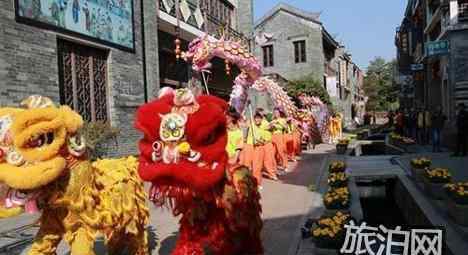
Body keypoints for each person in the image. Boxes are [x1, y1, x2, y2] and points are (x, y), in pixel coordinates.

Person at [270, 108, 289, 173]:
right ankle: (274, 167)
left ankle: (285, 165)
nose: (276, 114)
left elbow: (285, 127)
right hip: (272, 136)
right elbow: (269, 127)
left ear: (279, 113)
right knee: (272, 153)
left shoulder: (282, 120)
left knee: (281, 151)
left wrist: (278, 124)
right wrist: (271, 126)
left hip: (279, 136)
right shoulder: (272, 120)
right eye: (274, 113)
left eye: (277, 113)